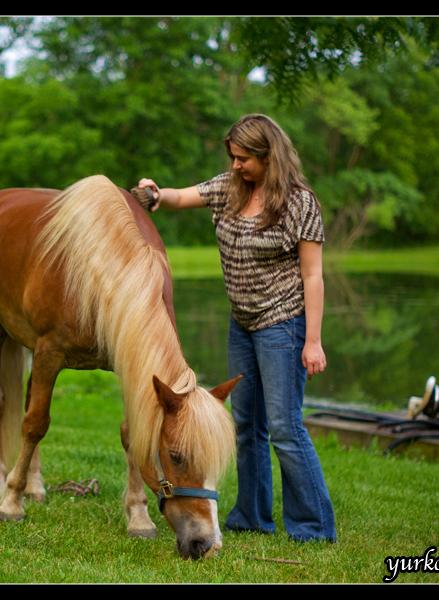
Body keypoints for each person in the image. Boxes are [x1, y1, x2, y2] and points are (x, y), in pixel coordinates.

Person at [138, 113, 336, 543]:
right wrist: (155, 194)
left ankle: (314, 527)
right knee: (245, 425)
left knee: (285, 427)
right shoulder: (229, 190)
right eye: (233, 157)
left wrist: (314, 340)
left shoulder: (301, 203)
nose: (235, 166)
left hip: (284, 325)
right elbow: (179, 197)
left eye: (244, 158)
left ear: (269, 157)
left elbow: (313, 276)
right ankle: (251, 515)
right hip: (241, 325)